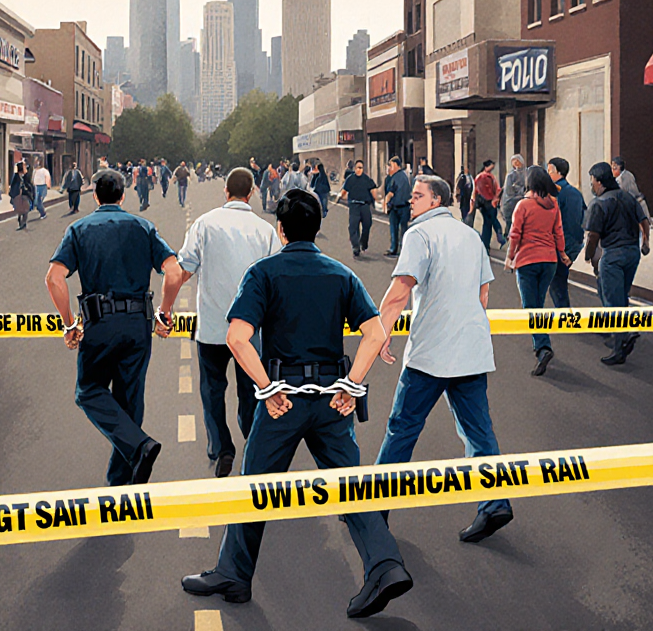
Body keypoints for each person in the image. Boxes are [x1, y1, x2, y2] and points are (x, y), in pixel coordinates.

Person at [181, 190, 412, 619]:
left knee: (255, 485)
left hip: (282, 401)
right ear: (318, 226)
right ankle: (385, 564)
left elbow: (236, 338)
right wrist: (351, 384)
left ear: (281, 230)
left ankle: (233, 574)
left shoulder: (264, 274)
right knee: (350, 486)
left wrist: (267, 388)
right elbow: (376, 334)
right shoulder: (340, 274)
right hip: (331, 400)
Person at [371, 174, 513, 544]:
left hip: (430, 355)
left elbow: (400, 291)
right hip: (471, 351)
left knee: (402, 430)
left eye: (418, 196)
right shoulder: (470, 235)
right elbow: (483, 295)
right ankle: (495, 501)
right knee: (479, 432)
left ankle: (374, 509)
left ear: (436, 200)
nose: (411, 200)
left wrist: (381, 334)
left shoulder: (419, 235)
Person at [46, 169, 177, 486]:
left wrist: (69, 324)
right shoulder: (143, 227)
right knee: (130, 400)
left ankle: (138, 447)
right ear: (123, 195)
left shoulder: (78, 229)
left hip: (99, 323)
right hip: (138, 324)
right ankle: (122, 479)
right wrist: (164, 312)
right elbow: (173, 272)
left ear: (95, 196)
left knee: (88, 390)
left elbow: (54, 278)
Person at [157, 168, 281, 478]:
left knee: (212, 391)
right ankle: (253, 446)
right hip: (251, 332)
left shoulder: (204, 224)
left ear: (225, 191)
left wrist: (166, 309)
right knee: (251, 392)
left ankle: (222, 448)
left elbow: (181, 272)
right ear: (250, 193)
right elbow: (277, 281)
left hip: (212, 330)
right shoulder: (265, 230)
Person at [584, 162, 651, 366]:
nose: (592, 185)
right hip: (632, 253)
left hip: (612, 255)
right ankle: (624, 333)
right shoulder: (627, 197)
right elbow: (644, 220)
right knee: (622, 295)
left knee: (612, 301)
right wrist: (645, 242)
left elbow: (593, 235)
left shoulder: (599, 203)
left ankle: (620, 347)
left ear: (600, 181)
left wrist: (588, 255)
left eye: (593, 181)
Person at [506, 166, 568, 376]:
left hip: (527, 261)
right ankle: (540, 344)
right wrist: (562, 253)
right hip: (549, 260)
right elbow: (558, 231)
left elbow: (515, 234)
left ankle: (543, 347)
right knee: (538, 304)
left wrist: (510, 256)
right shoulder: (553, 205)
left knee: (529, 307)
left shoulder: (523, 205)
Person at [546, 158, 585, 310]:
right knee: (560, 280)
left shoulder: (554, 194)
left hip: (559, 243)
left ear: (558, 173)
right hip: (575, 241)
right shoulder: (576, 193)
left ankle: (564, 316)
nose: (548, 174)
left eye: (550, 171)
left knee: (557, 283)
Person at [339, 160, 379, 258]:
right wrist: (341, 197)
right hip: (354, 205)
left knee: (367, 224)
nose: (359, 170)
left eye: (361, 168)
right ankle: (355, 247)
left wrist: (377, 199)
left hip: (365, 205)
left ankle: (363, 243)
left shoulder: (367, 179)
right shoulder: (350, 179)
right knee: (353, 226)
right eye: (357, 167)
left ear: (363, 169)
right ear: (355, 168)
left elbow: (373, 191)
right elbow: (344, 191)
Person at [382, 157, 412, 258]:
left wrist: (385, 204)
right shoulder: (404, 176)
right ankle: (404, 249)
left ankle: (393, 249)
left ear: (396, 165)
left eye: (391, 165)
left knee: (394, 229)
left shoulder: (394, 177)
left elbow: (390, 193)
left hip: (396, 207)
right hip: (405, 206)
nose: (389, 167)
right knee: (403, 229)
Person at [474, 160, 506, 250]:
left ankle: (486, 242)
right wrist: (495, 198)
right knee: (491, 221)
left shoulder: (482, 177)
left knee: (488, 223)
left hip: (485, 203)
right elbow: (495, 189)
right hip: (489, 202)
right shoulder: (486, 177)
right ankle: (498, 238)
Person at [500, 154, 526, 229]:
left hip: (523, 202)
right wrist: (520, 190)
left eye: (518, 161)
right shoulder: (510, 175)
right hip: (511, 202)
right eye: (514, 162)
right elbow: (509, 191)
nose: (516, 164)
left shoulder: (527, 173)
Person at [10, 161, 34, 230]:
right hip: (18, 195)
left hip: (25, 195)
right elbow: (13, 185)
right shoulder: (16, 176)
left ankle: (23, 223)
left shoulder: (26, 176)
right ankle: (21, 221)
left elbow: (29, 184)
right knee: (20, 209)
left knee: (26, 209)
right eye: (24, 167)